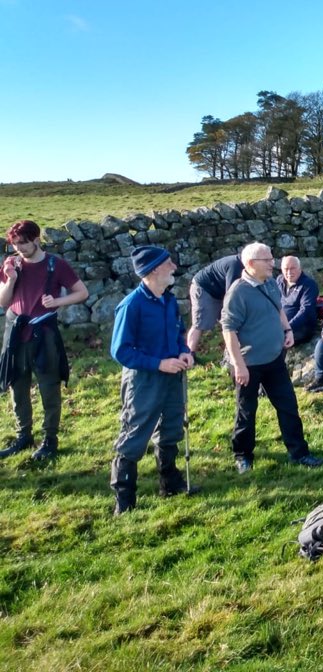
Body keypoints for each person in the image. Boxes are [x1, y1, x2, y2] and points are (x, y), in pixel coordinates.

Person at [221, 243, 323, 473]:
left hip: (275, 358)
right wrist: (239, 365)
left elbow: (278, 309)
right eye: (266, 260)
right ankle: (243, 455)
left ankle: (299, 453)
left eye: (271, 258)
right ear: (250, 264)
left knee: (288, 406)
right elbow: (229, 330)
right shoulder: (237, 293)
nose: (272, 263)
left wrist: (287, 330)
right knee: (246, 411)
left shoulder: (270, 283)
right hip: (248, 364)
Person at [109, 246, 196, 515]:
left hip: (173, 377)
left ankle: (169, 483)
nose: (174, 268)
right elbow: (120, 351)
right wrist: (159, 363)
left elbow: (179, 332)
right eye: (169, 263)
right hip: (143, 381)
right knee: (134, 435)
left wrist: (185, 351)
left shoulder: (168, 300)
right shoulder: (132, 305)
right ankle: (124, 501)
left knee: (171, 428)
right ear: (155, 269)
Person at [0, 219, 89, 460]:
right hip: (16, 334)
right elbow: (3, 301)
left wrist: (57, 302)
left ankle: (50, 439)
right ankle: (23, 436)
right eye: (15, 244)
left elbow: (82, 292)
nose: (19, 248)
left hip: (45, 334)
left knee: (49, 387)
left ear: (37, 240)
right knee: (17, 386)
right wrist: (11, 279)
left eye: (24, 243)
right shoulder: (11, 264)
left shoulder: (55, 265)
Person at [186, 253, 243, 353]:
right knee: (199, 324)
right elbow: (231, 294)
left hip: (218, 289)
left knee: (231, 321)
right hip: (204, 288)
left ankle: (232, 352)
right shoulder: (236, 265)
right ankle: (189, 355)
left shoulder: (244, 265)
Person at [277, 255, 319, 344]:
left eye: (292, 268)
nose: (289, 272)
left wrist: (288, 328)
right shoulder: (279, 280)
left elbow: (306, 311)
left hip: (301, 327)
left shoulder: (309, 285)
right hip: (280, 324)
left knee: (273, 342)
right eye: (286, 269)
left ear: (300, 268)